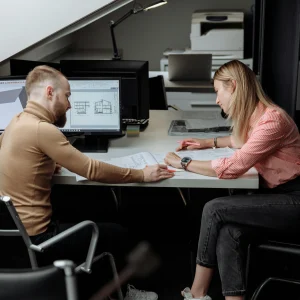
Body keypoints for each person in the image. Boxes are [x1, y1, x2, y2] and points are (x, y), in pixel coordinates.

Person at [0, 65, 173, 299]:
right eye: (67, 96)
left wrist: (48, 164)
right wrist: (141, 175)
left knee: (85, 208)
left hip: (14, 241)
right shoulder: (42, 130)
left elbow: (20, 161)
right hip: (40, 241)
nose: (70, 104)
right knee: (117, 233)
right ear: (50, 92)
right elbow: (91, 169)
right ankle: (123, 293)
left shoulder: (15, 123)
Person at [164, 60, 300, 300]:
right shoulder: (255, 116)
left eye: (218, 91)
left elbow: (234, 167)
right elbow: (238, 141)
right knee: (229, 231)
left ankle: (196, 295)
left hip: (294, 200)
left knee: (214, 209)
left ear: (234, 87)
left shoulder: (273, 120)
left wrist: (182, 163)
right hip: (276, 197)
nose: (217, 100)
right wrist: (207, 143)